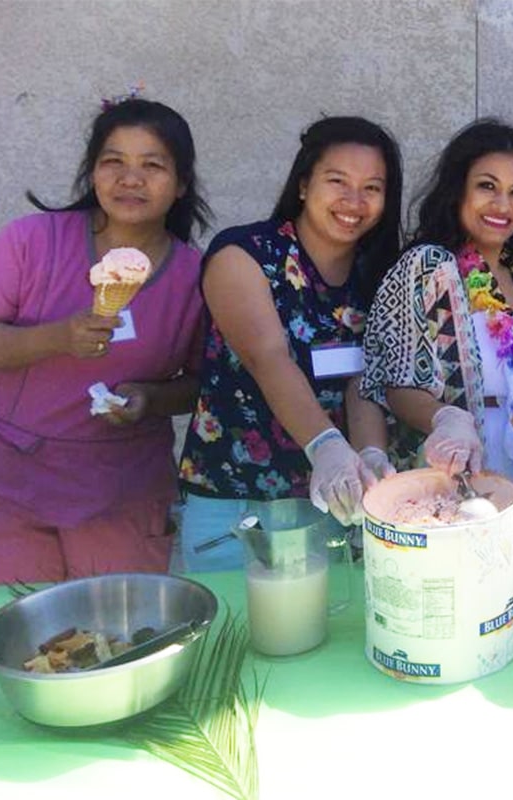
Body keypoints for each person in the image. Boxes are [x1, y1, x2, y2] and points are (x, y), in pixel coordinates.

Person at [0, 97, 210, 584]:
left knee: (115, 641)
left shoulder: (196, 275)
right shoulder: (33, 242)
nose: (131, 179)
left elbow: (203, 383)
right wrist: (57, 338)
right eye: (113, 162)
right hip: (8, 481)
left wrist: (151, 398)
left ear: (181, 183)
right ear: (91, 172)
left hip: (123, 489)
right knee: (17, 633)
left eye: (153, 165)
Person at [177, 116, 400, 571]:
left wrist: (371, 456)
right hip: (236, 508)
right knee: (233, 639)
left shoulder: (375, 275)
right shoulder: (244, 254)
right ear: (303, 184)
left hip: (330, 509)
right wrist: (327, 447)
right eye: (337, 181)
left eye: (372, 188)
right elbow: (268, 357)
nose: (353, 201)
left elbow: (362, 377)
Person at [359, 120, 513, 544]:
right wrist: (446, 419)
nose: (503, 204)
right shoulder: (428, 266)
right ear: (458, 188)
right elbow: (392, 381)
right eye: (487, 186)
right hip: (453, 471)